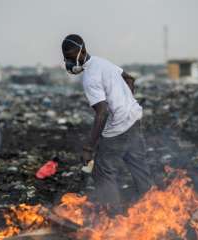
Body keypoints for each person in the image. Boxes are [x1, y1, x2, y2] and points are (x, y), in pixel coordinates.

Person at [61, 34, 154, 213]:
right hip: (134, 118)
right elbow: (129, 78)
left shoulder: (89, 78)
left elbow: (102, 113)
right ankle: (154, 209)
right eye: (66, 58)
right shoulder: (102, 62)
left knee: (103, 172)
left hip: (118, 127)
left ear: (82, 51)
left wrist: (89, 147)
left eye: (72, 58)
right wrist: (125, 101)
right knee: (139, 168)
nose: (70, 62)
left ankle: (115, 219)